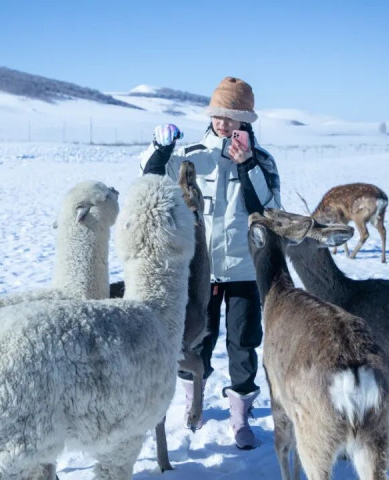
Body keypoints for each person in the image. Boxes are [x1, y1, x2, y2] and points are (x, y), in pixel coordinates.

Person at [140, 76, 282, 450]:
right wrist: (159, 148)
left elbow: (268, 208)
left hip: (245, 269)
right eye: (217, 115)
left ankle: (241, 417)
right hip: (199, 269)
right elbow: (151, 179)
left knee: (244, 342)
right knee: (196, 340)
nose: (221, 122)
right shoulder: (192, 155)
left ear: (245, 120)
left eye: (230, 117)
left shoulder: (262, 161)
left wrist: (247, 164)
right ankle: (194, 403)